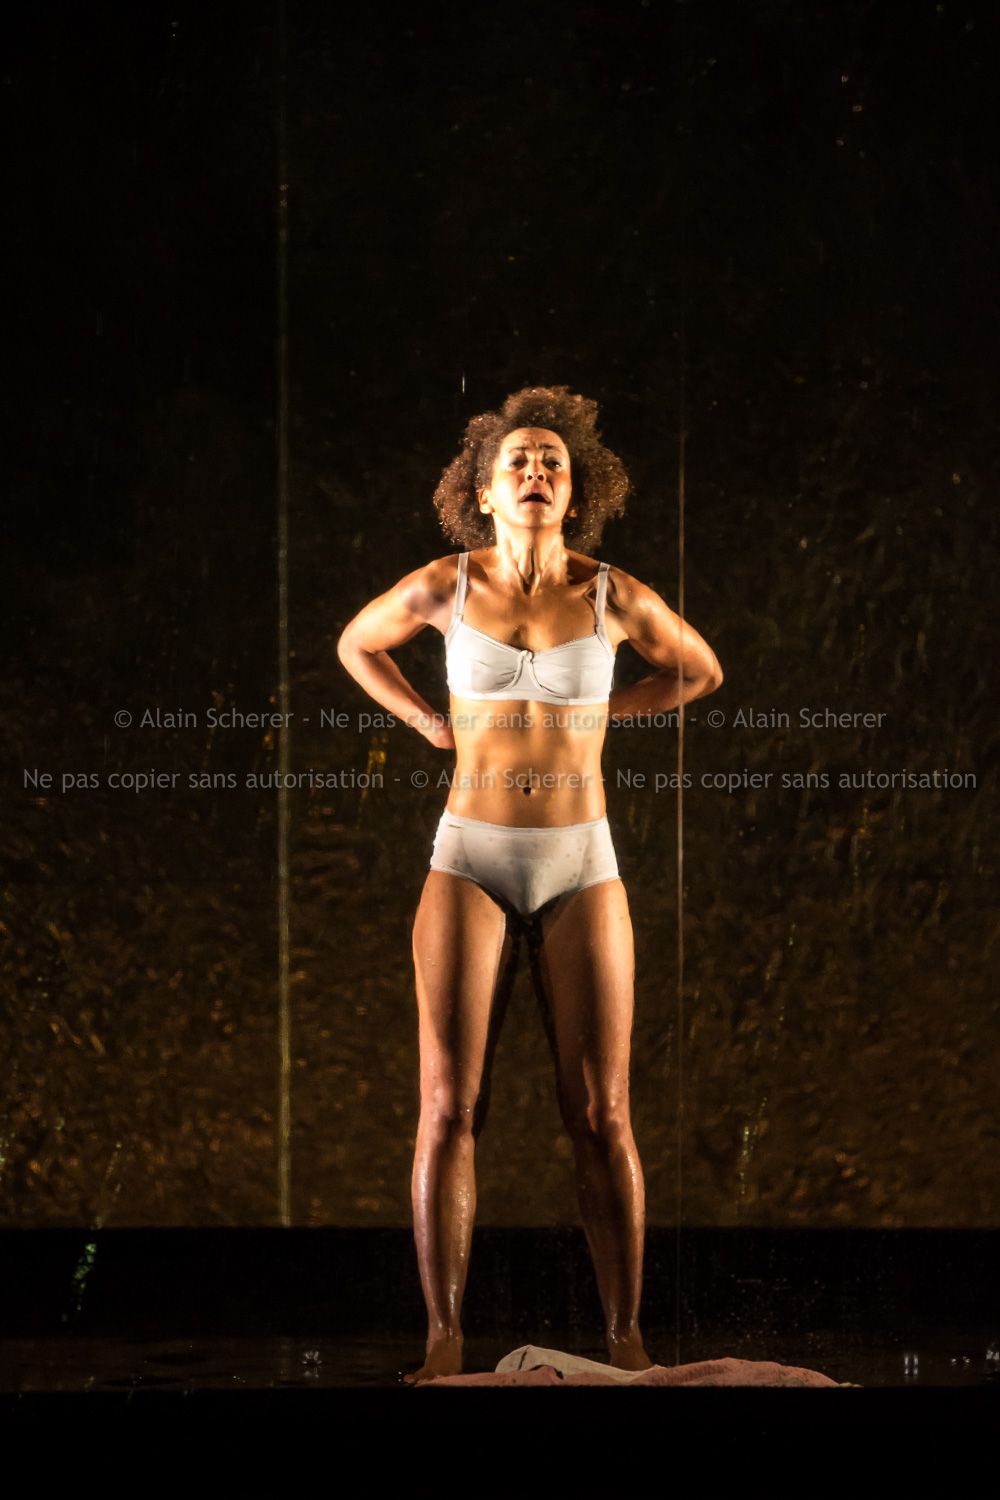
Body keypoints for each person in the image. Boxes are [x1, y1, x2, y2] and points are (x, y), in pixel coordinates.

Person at [337, 385, 723, 1383]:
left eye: (554, 461)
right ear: (483, 490)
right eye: (519, 461)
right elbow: (356, 644)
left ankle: (626, 1338)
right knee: (446, 1107)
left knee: (601, 1113)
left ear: (576, 491)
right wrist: (427, 722)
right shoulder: (446, 585)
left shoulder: (611, 594)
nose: (538, 472)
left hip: (580, 858)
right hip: (469, 852)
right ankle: (443, 1342)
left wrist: (608, 717)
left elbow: (699, 672)